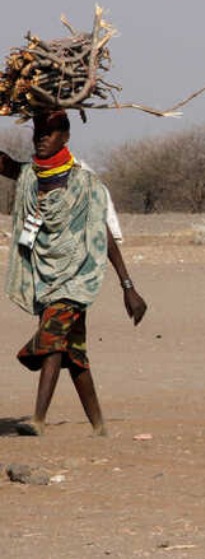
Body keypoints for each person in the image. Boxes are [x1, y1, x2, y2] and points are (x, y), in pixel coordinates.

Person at [0, 110, 147, 436]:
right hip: (46, 277)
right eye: (37, 132)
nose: (41, 138)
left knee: (52, 339)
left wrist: (127, 286)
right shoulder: (29, 176)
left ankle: (38, 419)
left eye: (50, 132)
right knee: (74, 353)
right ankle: (99, 426)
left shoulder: (84, 182)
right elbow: (3, 163)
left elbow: (102, 233)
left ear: (65, 137)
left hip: (77, 276)